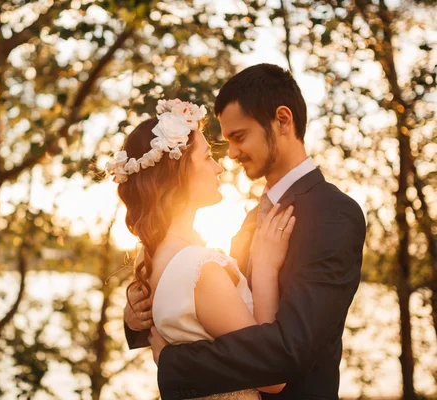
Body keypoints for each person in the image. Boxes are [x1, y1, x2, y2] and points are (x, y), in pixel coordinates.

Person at [123, 64, 367, 399]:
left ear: (282, 121)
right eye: (225, 143)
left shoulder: (332, 214)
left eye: (239, 137)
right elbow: (209, 310)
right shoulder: (254, 218)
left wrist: (171, 361)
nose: (232, 154)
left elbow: (285, 353)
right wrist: (138, 320)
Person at [106, 97, 296, 399]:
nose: (219, 167)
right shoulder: (199, 268)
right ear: (178, 174)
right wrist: (264, 268)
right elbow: (272, 377)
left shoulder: (153, 254)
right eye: (207, 157)